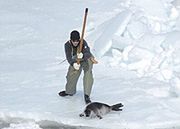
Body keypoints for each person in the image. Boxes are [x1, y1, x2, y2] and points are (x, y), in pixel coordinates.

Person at [58, 30, 94, 104]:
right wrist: (73, 63)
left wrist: (83, 55)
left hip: (86, 59)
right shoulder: (67, 45)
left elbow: (88, 52)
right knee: (71, 74)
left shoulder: (83, 42)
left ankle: (87, 95)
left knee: (88, 74)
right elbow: (68, 57)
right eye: (74, 41)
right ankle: (70, 91)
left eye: (77, 41)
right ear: (71, 40)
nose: (75, 42)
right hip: (75, 61)